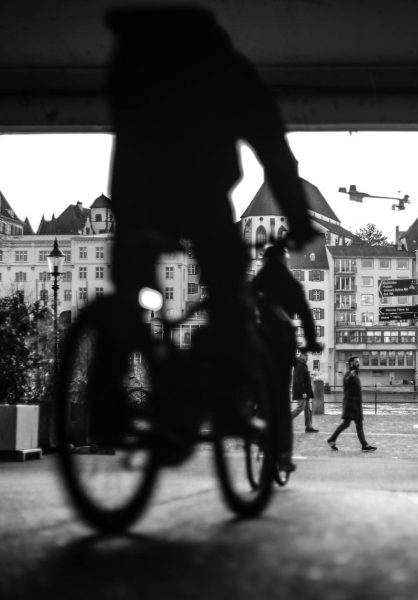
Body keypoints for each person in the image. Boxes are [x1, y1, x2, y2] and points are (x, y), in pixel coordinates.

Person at [104, 7, 318, 449]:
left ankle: (109, 401)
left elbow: (121, 115)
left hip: (135, 190)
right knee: (228, 296)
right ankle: (222, 408)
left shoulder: (137, 59)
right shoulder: (230, 72)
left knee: (131, 290)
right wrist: (297, 221)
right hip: (200, 196)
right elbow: (277, 156)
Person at [253, 244, 322, 472]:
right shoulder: (292, 284)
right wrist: (311, 343)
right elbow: (306, 315)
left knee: (259, 383)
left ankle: (255, 414)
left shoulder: (258, 281)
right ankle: (283, 456)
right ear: (284, 261)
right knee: (281, 401)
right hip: (283, 342)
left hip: (261, 339)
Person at [327, 357, 377, 452]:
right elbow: (346, 380)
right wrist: (351, 375)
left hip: (356, 405)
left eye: (359, 362)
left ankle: (364, 445)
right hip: (350, 405)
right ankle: (332, 439)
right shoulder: (349, 374)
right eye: (356, 362)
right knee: (346, 424)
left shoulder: (355, 374)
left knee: (357, 425)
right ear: (350, 364)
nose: (358, 363)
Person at [291, 352, 319, 433]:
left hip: (305, 392)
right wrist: (303, 392)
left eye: (307, 356)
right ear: (301, 356)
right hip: (302, 392)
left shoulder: (302, 365)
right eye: (305, 355)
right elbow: (299, 380)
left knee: (307, 410)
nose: (307, 357)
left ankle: (308, 427)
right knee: (300, 408)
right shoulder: (299, 365)